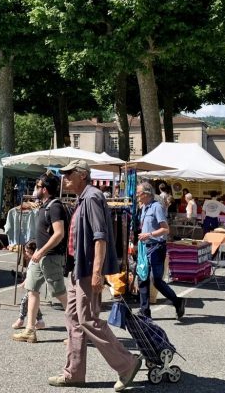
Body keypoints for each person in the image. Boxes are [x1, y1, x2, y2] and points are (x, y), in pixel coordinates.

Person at [48, 159, 141, 391]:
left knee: (88, 319)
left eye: (69, 174)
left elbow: (100, 237)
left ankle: (127, 363)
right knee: (73, 319)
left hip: (88, 270)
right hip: (78, 269)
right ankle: (74, 373)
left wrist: (97, 272)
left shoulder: (91, 197)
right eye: (64, 174)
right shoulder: (84, 198)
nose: (65, 178)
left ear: (82, 175)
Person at [12, 172, 69, 344]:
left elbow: (59, 234)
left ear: (44, 189)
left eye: (37, 186)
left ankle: (78, 330)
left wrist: (42, 250)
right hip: (41, 255)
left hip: (51, 257)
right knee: (32, 289)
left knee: (60, 294)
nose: (35, 189)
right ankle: (30, 329)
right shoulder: (44, 205)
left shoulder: (55, 207)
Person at [136, 181, 186, 320]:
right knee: (142, 278)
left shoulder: (156, 207)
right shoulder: (144, 207)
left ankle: (177, 302)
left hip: (156, 247)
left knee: (156, 280)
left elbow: (165, 229)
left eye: (138, 193)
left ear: (146, 194)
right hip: (145, 247)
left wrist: (149, 235)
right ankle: (144, 312)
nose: (136, 195)